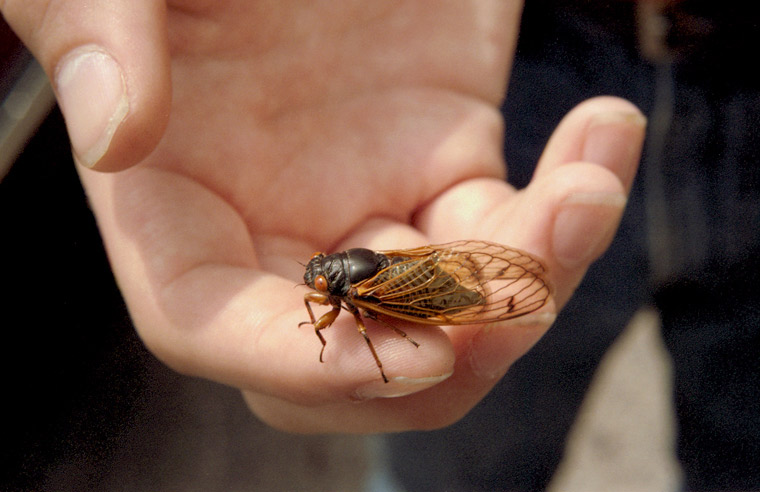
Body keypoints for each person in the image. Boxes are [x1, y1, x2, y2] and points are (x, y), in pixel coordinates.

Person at [0, 2, 645, 434]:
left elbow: (358, 328)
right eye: (318, 283)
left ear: (336, 284)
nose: (316, 291)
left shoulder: (352, 297)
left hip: (415, 280)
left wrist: (356, 323)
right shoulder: (334, 291)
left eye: (321, 286)